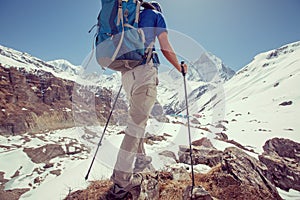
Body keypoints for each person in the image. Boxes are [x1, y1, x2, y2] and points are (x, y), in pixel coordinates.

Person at [108, 1, 188, 198]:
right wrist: (180, 68)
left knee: (136, 121)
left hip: (127, 74)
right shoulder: (156, 16)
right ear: (158, 9)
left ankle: (140, 160)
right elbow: (165, 46)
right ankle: (121, 182)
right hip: (144, 71)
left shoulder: (130, 18)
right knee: (136, 125)